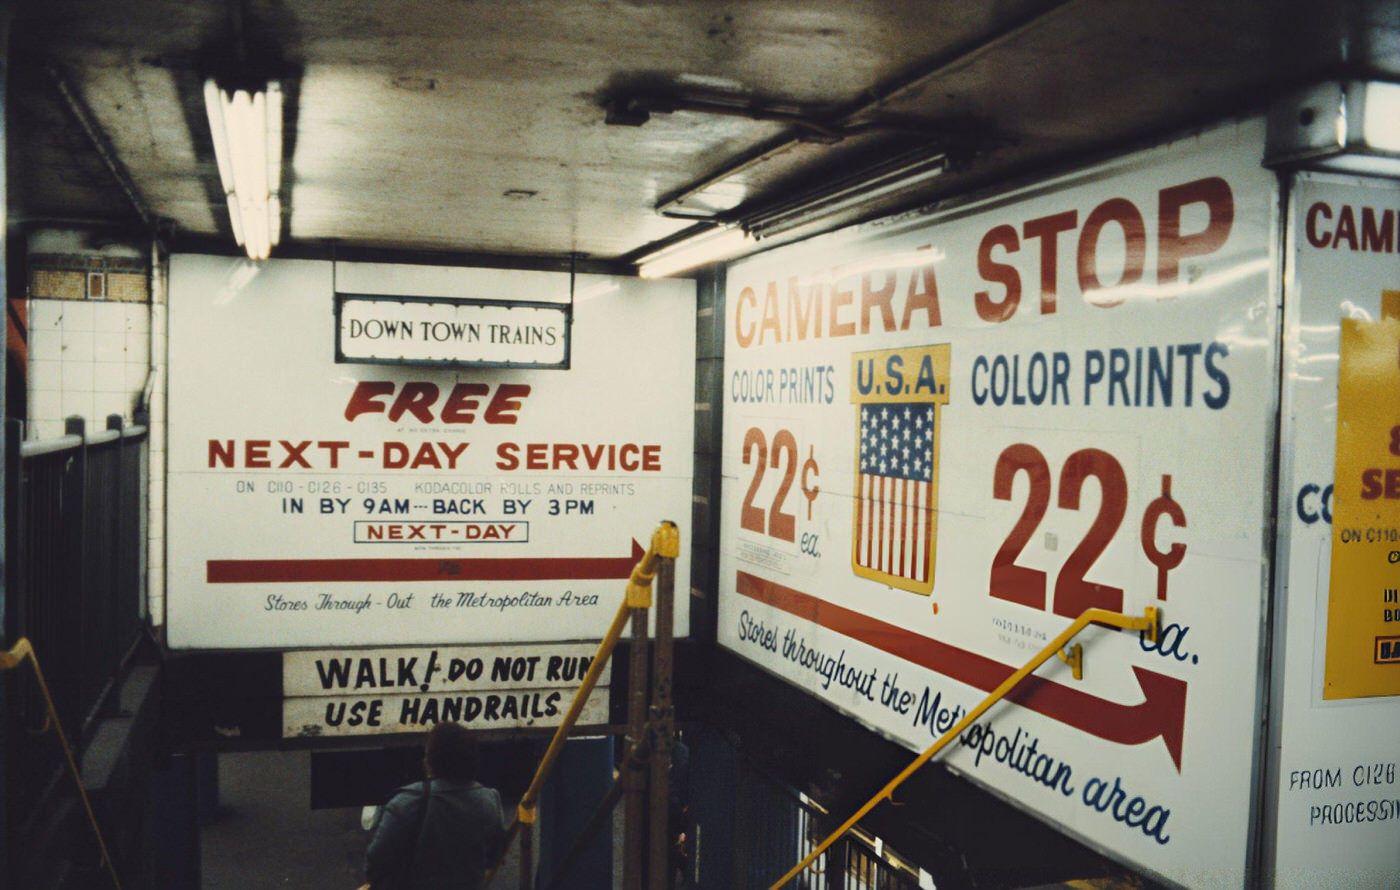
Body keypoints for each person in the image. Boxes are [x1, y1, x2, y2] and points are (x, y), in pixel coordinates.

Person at [364, 722, 506, 890]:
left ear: (430, 760)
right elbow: (494, 857)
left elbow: (375, 864)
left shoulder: (407, 802)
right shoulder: (489, 801)